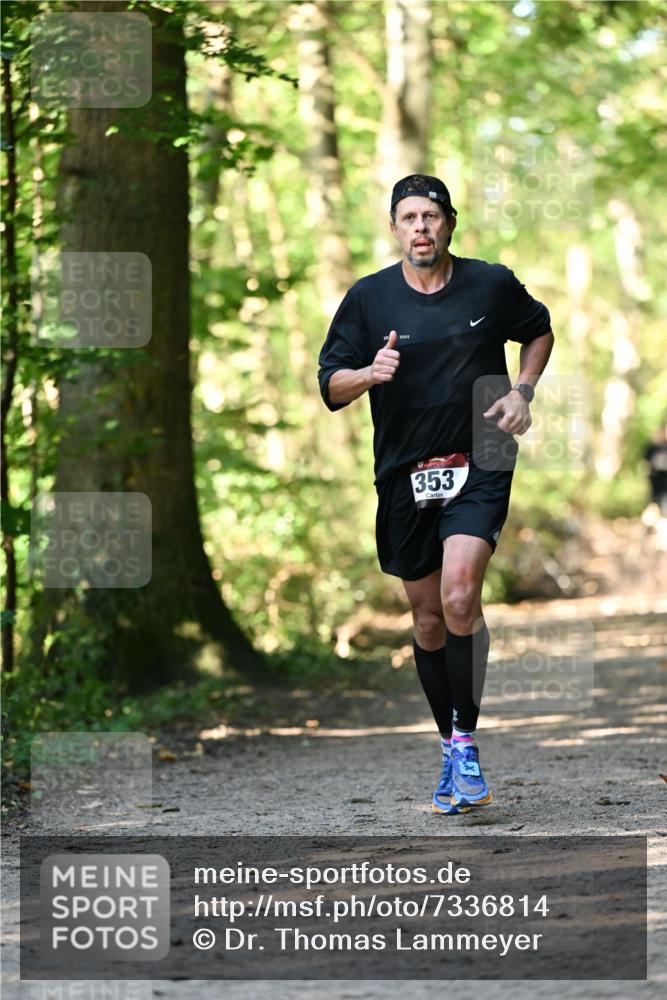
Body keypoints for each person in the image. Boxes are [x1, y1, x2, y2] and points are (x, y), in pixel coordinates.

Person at [318, 174, 554, 815]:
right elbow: (330, 385)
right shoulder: (368, 299)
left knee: (458, 596)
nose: (421, 228)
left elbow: (539, 330)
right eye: (409, 218)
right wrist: (368, 373)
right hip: (404, 471)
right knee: (426, 620)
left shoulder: (490, 284)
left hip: (483, 455)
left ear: (449, 223)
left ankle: (467, 742)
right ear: (394, 228)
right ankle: (449, 745)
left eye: (431, 216)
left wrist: (522, 391)